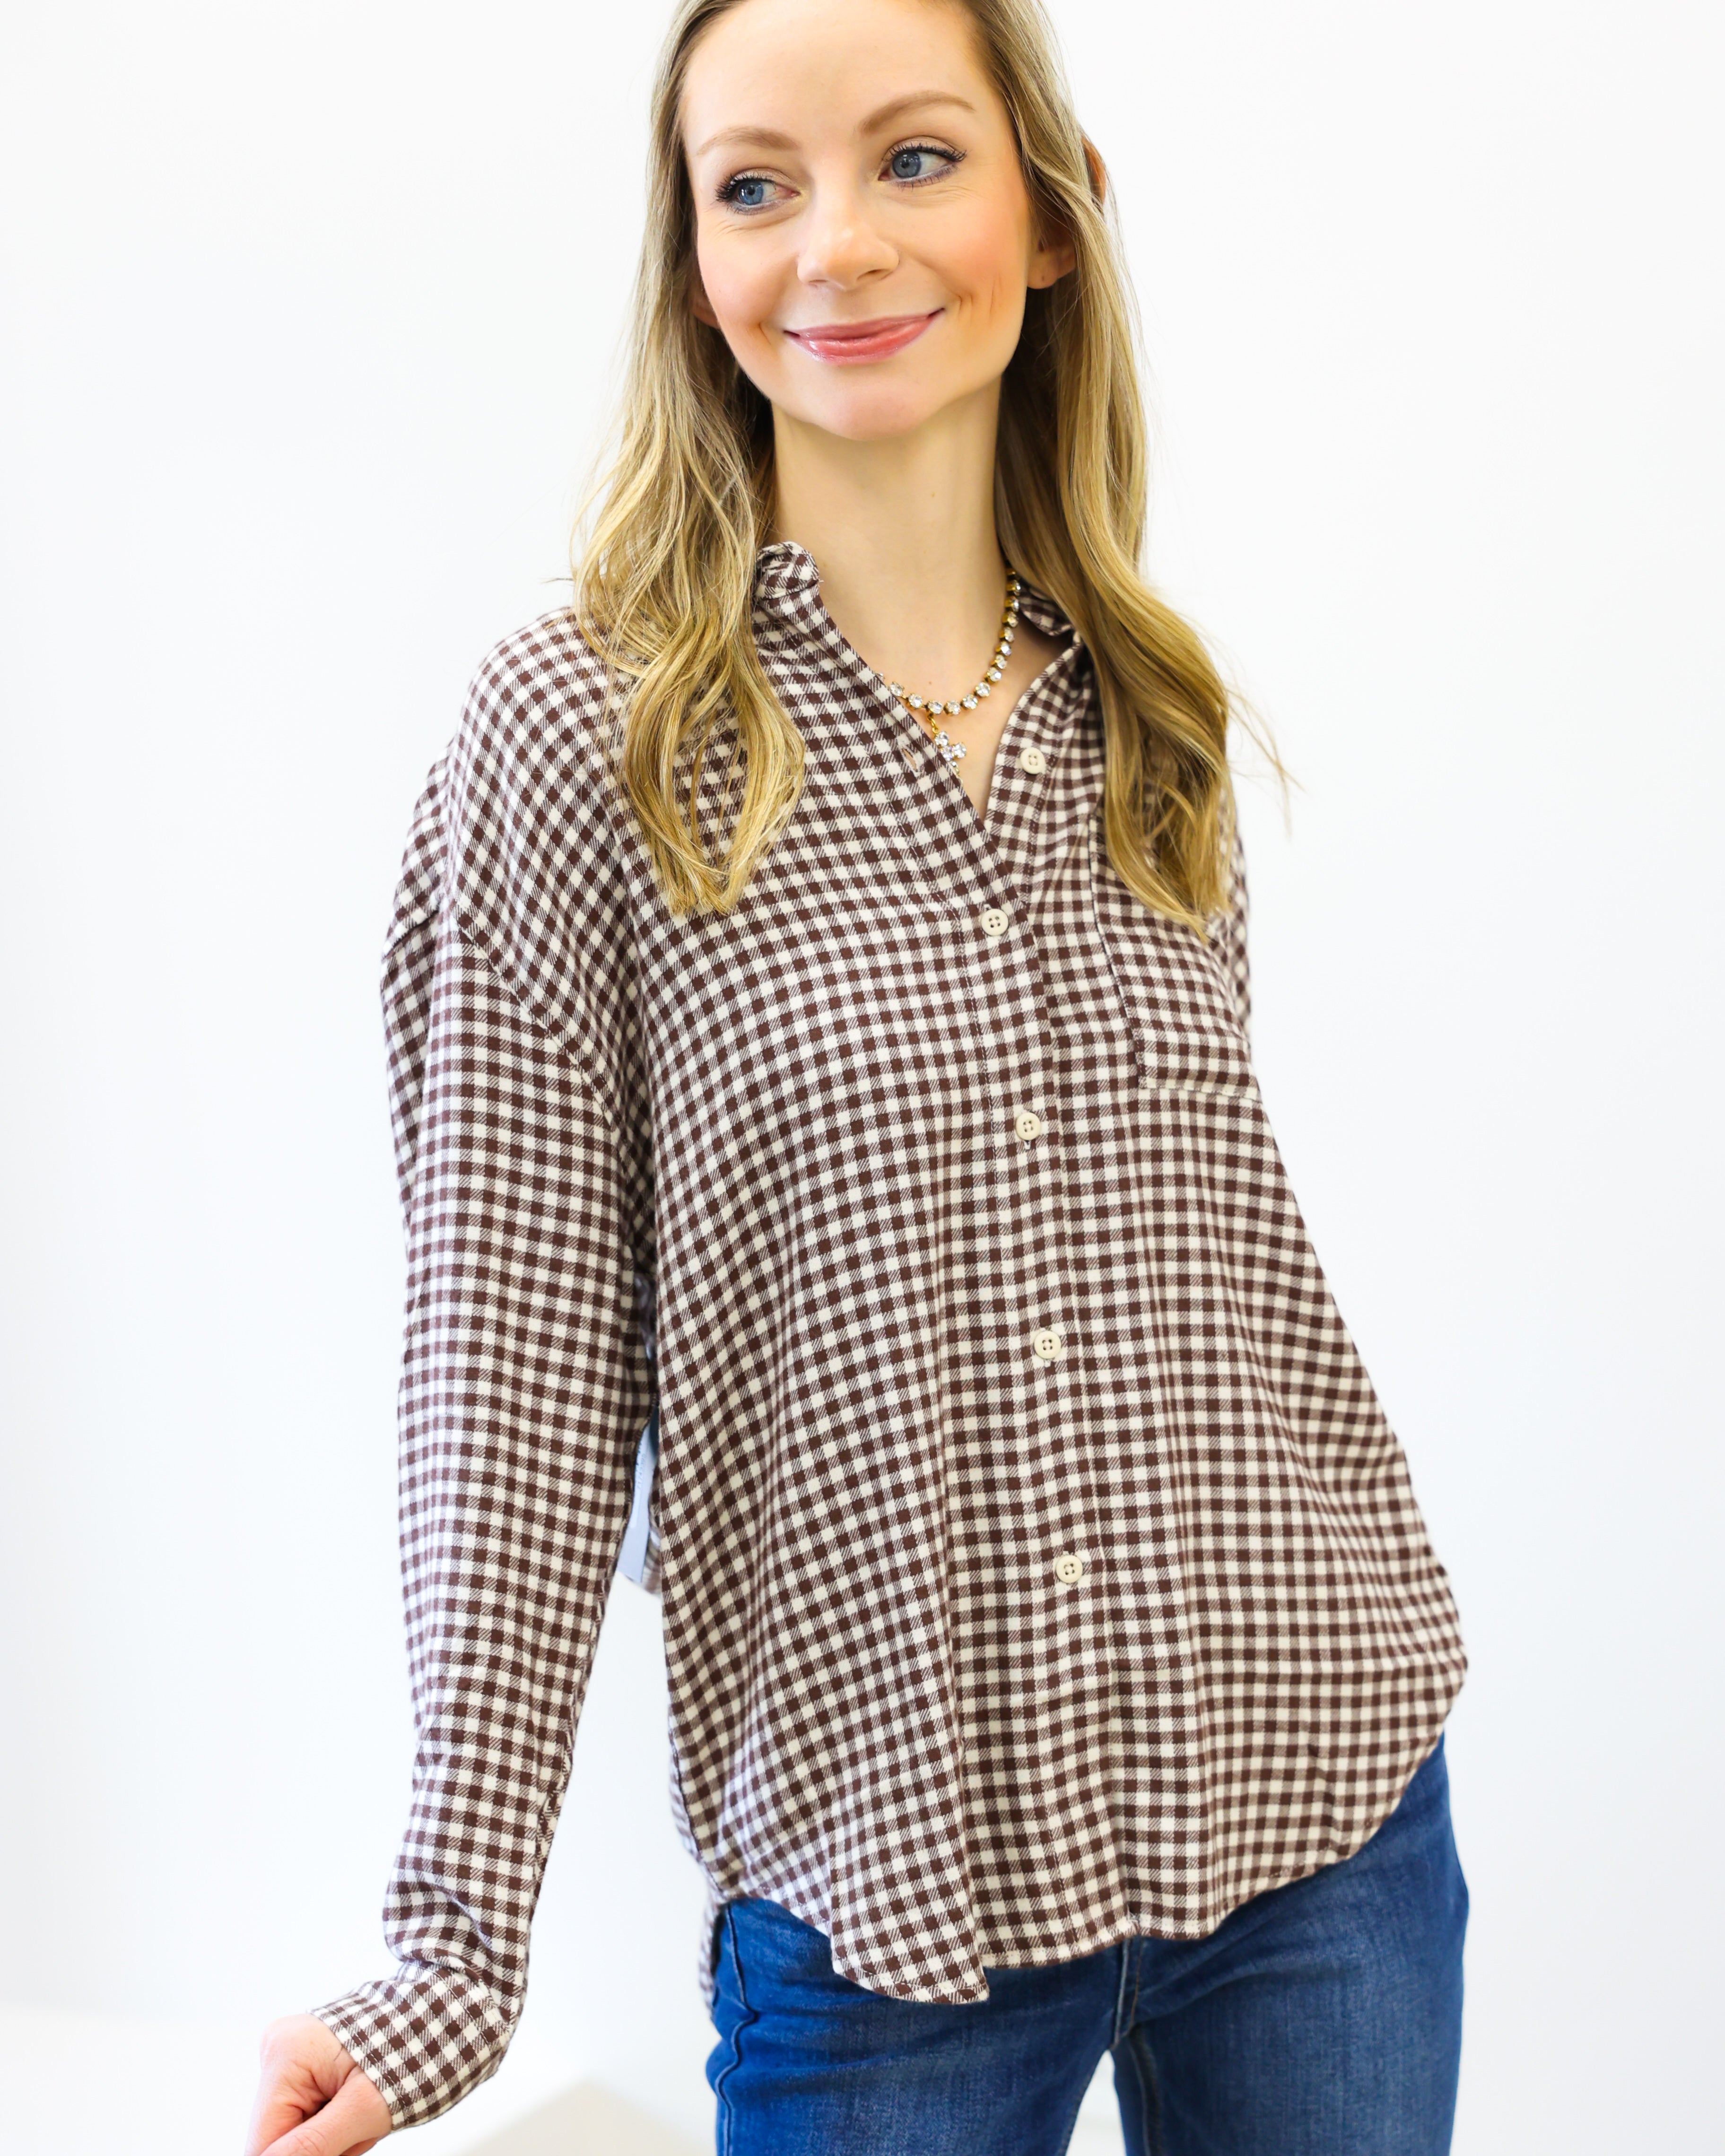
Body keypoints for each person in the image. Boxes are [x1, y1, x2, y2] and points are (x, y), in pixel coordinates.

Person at [244, 0, 1469, 2149]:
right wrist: (450, 1945)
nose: (840, 243)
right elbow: (508, 1377)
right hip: (889, 1906)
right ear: (696, 268)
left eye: (918, 157)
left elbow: (1203, 1264)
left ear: (1053, 219)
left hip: (1322, 1814)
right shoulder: (573, 747)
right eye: (756, 184)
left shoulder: (1144, 710)